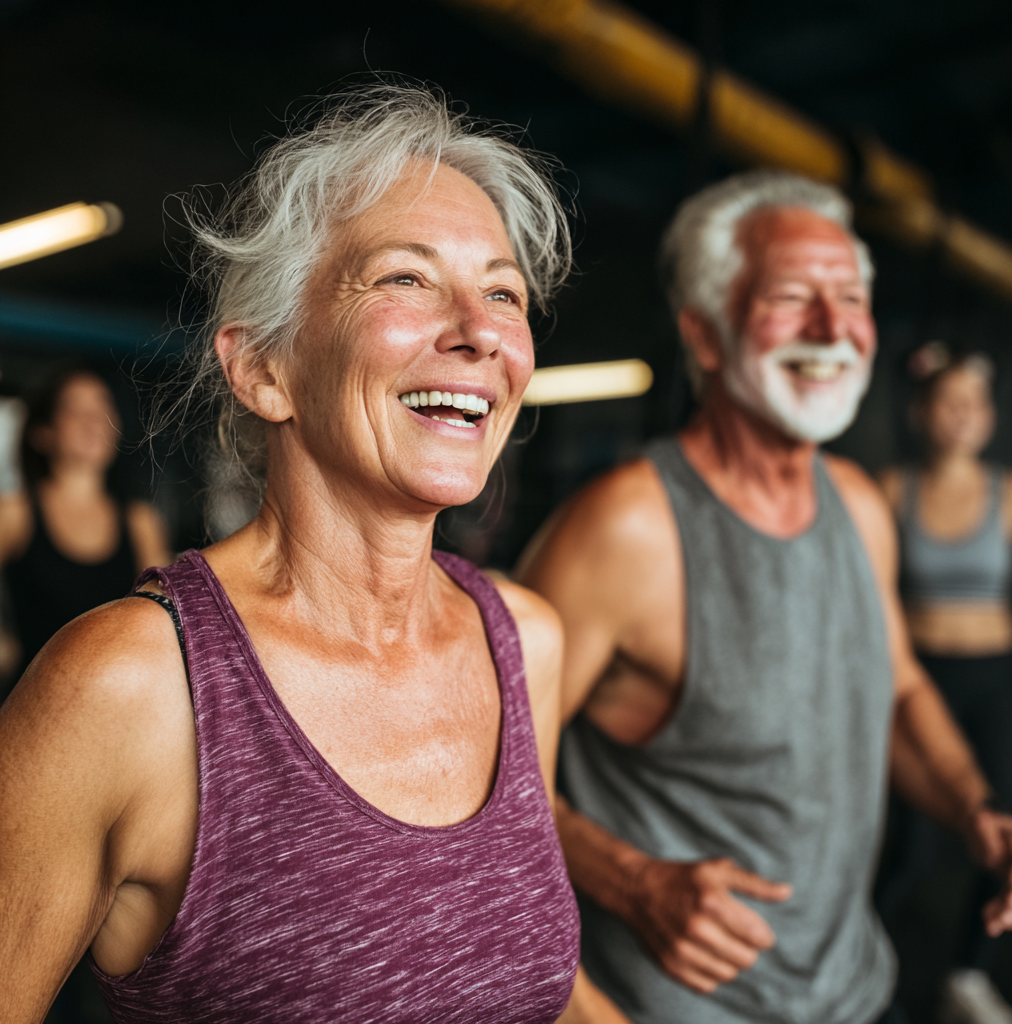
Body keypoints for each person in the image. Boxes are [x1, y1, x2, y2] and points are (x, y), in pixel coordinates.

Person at [0, 86, 623, 1024]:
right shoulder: (129, 688)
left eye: (503, 292)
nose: (480, 330)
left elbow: (501, 964)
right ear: (265, 369)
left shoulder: (523, 641)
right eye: (406, 279)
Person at [517, 170, 1012, 1024]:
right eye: (794, 298)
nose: (834, 329)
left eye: (852, 298)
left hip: (854, 986)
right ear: (706, 337)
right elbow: (483, 781)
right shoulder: (625, 529)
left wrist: (978, 814)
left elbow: (895, 689)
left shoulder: (862, 506)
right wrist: (631, 881)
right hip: (675, 1006)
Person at [878, 345, 1012, 1024]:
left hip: (995, 680)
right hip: (916, 680)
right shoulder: (891, 493)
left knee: (1003, 832)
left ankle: (968, 975)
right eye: (950, 400)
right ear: (922, 412)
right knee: (908, 841)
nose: (964, 414)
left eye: (977, 402)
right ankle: (869, 975)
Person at [0, 368, 170, 691]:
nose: (93, 420)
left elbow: (161, 627)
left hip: (110, 711)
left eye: (103, 408)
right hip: (28, 706)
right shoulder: (15, 512)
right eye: (75, 410)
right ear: (43, 432)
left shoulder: (141, 522)